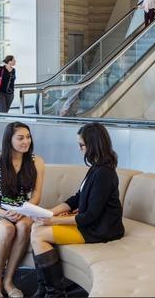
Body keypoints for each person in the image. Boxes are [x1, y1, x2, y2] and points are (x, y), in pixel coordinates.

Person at [31, 122, 125, 298]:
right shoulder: (96, 168)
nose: (80, 149)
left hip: (100, 230)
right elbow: (76, 199)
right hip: (90, 224)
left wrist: (53, 220)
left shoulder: (104, 173)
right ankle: (45, 286)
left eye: (81, 145)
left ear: (93, 144)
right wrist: (49, 213)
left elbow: (90, 216)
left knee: (39, 235)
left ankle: (55, 293)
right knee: (36, 228)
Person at [0, 122, 44, 298]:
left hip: (23, 211)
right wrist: (5, 214)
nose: (26, 141)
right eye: (20, 138)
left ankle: (8, 281)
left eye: (28, 137)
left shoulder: (37, 162)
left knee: (23, 227)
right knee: (7, 229)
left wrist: (24, 211)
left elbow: (36, 195)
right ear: (9, 140)